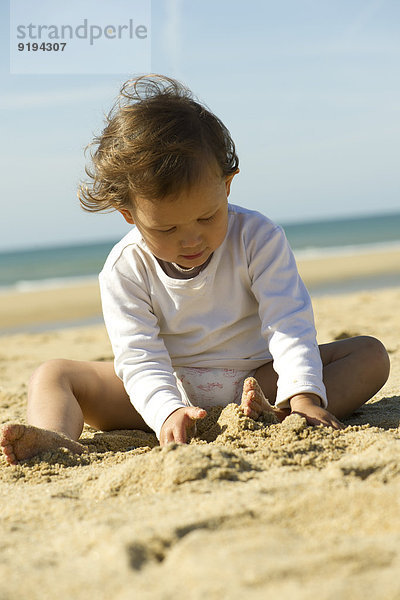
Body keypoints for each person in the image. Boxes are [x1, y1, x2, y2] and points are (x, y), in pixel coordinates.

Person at [1, 75, 390, 465]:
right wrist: (167, 411)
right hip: (168, 384)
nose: (191, 240)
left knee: (370, 354)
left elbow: (288, 322)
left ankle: (284, 413)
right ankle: (55, 441)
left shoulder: (257, 237)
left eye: (207, 217)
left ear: (227, 185)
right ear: (128, 215)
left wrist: (303, 394)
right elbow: (139, 357)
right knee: (52, 375)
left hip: (258, 378)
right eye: (166, 228)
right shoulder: (125, 268)